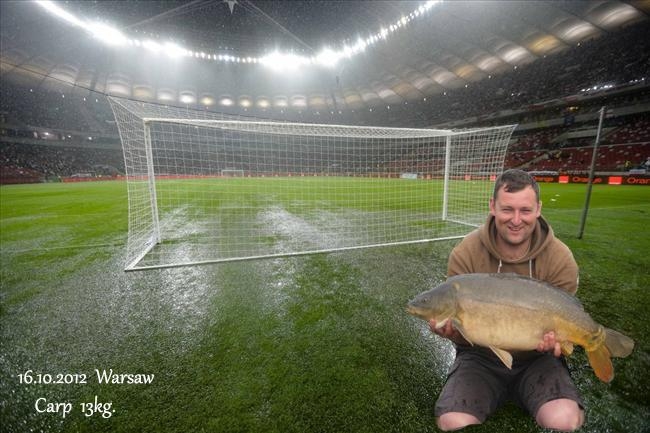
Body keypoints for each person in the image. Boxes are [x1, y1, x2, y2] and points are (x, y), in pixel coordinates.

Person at [430, 169, 584, 432]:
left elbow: (566, 316)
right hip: (480, 356)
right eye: (507, 209)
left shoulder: (560, 258)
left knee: (564, 420)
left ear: (538, 209)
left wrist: (557, 343)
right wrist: (452, 333)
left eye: (525, 210)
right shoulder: (466, 253)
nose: (516, 220)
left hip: (538, 359)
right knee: (452, 422)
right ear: (492, 206)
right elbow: (462, 334)